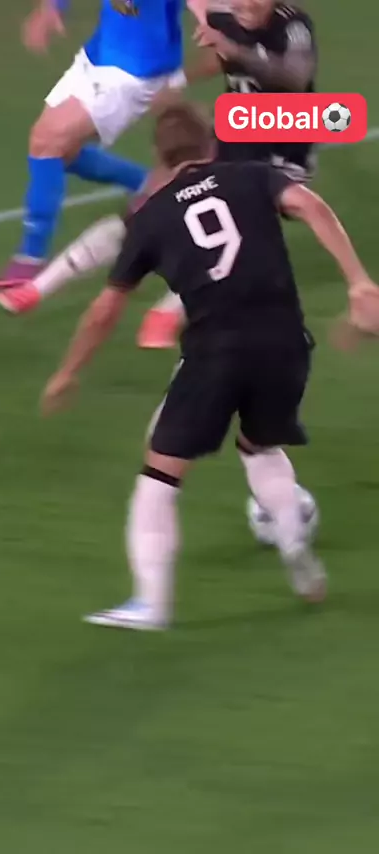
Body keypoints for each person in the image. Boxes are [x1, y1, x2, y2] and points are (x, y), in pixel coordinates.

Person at [39, 103, 379, 631]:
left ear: (160, 156)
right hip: (286, 343)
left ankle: (150, 603)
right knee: (259, 445)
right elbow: (311, 206)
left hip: (215, 353)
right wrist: (358, 281)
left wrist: (68, 372)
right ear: (211, 147)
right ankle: (294, 545)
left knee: (159, 474)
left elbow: (105, 310)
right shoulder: (252, 176)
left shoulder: (151, 216)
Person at [0, 0, 319, 321]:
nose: (245, 4)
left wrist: (229, 49)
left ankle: (169, 311)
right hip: (235, 124)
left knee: (246, 219)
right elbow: (216, 55)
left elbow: (296, 77)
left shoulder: (290, 24)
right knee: (145, 210)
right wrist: (179, 81)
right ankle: (38, 288)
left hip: (285, 133)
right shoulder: (227, 15)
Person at [0, 0, 207, 289]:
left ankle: (31, 256)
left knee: (47, 143)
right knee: (59, 151)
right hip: (98, 54)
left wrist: (206, 20)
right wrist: (52, 7)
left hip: (133, 71)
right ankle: (147, 185)